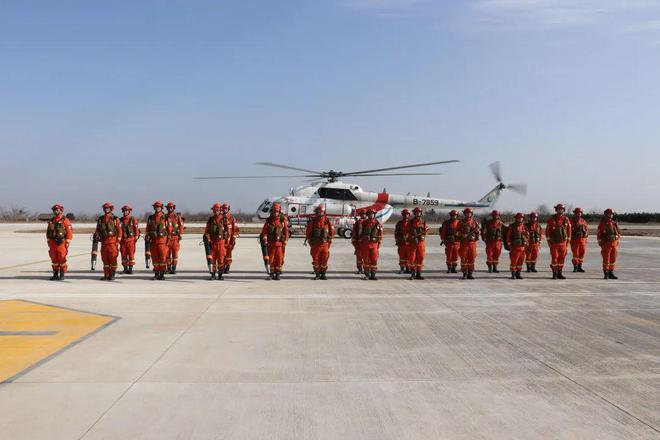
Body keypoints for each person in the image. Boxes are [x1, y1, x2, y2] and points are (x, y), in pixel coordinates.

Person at [260, 202, 289, 280]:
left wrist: (286, 240)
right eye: (274, 211)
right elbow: (264, 232)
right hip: (271, 244)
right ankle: (271, 274)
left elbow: (286, 231)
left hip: (280, 244)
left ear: (279, 211)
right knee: (271, 260)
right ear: (272, 211)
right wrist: (265, 239)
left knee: (279, 259)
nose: (275, 213)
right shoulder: (269, 221)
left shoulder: (282, 221)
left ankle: (278, 274)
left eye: (276, 211)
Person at [94, 202, 122, 281]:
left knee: (112, 259)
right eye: (105, 208)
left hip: (112, 242)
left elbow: (119, 230)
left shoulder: (115, 219)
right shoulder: (100, 219)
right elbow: (98, 229)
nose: (106, 209)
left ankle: (112, 274)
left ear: (111, 209)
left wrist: (118, 241)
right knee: (105, 259)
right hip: (104, 242)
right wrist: (96, 234)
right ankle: (106, 274)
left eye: (108, 208)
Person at [305, 205, 334, 280]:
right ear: (316, 212)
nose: (320, 213)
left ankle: (323, 274)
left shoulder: (327, 220)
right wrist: (311, 242)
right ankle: (317, 273)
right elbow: (308, 232)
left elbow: (332, 231)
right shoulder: (313, 221)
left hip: (325, 244)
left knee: (324, 259)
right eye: (319, 212)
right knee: (316, 259)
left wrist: (330, 240)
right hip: (316, 244)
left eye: (321, 212)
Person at [46, 203, 73, 280]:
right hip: (52, 243)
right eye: (54, 210)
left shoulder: (65, 220)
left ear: (61, 210)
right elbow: (48, 232)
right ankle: (55, 274)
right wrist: (48, 241)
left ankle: (62, 274)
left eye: (57, 210)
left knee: (62, 259)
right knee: (54, 259)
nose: (55, 211)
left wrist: (67, 242)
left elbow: (69, 232)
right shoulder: (51, 221)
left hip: (61, 243)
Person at [145, 201, 171, 280]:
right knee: (155, 258)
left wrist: (168, 239)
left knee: (163, 258)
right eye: (156, 207)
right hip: (153, 241)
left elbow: (169, 229)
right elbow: (148, 229)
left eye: (159, 207)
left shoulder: (165, 217)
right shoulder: (151, 217)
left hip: (162, 242)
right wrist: (148, 236)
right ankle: (156, 273)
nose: (157, 208)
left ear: (161, 208)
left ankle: (162, 274)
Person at [546, 203, 572, 279]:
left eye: (561, 209)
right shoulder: (551, 219)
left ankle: (560, 273)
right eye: (559, 209)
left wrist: (567, 242)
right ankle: (554, 273)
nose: (560, 210)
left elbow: (569, 231)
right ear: (556, 210)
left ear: (563, 210)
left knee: (562, 258)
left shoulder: (566, 219)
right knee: (554, 258)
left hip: (563, 243)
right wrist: (549, 243)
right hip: (554, 243)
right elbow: (548, 231)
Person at [204, 203, 229, 280]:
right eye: (214, 210)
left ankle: (220, 275)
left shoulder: (224, 219)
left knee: (221, 259)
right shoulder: (210, 220)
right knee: (212, 259)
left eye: (216, 210)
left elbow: (228, 231)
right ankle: (213, 274)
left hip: (221, 242)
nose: (215, 212)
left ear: (220, 210)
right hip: (212, 242)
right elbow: (207, 231)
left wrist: (227, 240)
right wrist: (208, 238)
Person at [358, 208, 383, 280]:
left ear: (374, 215)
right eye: (369, 214)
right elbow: (360, 233)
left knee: (374, 259)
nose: (371, 215)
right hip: (365, 244)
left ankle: (373, 274)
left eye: (372, 214)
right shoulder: (363, 223)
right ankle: (367, 274)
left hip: (374, 244)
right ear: (368, 215)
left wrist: (378, 241)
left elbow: (380, 234)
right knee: (366, 260)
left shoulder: (377, 223)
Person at [597, 208, 621, 280]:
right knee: (606, 259)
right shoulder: (602, 224)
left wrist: (617, 239)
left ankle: (611, 273)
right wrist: (601, 243)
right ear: (605, 215)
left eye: (611, 214)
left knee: (613, 259)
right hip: (606, 244)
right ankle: (606, 273)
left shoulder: (614, 224)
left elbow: (619, 233)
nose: (610, 215)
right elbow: (599, 235)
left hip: (614, 244)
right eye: (609, 214)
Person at [457, 207, 480, 280]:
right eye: (467, 213)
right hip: (464, 243)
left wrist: (477, 231)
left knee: (472, 258)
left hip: (472, 243)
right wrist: (461, 234)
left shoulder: (474, 222)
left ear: (471, 214)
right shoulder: (461, 222)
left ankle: (470, 273)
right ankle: (464, 273)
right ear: (464, 214)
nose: (468, 214)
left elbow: (479, 231)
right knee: (463, 258)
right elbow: (457, 232)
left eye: (469, 213)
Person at [506, 213, 529, 280]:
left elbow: (527, 235)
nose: (520, 219)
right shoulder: (512, 226)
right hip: (515, 247)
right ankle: (513, 274)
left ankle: (518, 273)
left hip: (522, 247)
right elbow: (508, 236)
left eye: (521, 218)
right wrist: (509, 244)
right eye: (519, 217)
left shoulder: (524, 226)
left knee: (520, 261)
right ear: (516, 218)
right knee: (514, 261)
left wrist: (526, 242)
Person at [408, 207, 429, 280]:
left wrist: (424, 234)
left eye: (419, 212)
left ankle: (418, 274)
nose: (418, 214)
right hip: (413, 243)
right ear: (414, 213)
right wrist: (411, 237)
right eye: (416, 212)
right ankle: (412, 274)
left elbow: (426, 230)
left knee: (421, 258)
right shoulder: (410, 222)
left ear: (421, 213)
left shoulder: (423, 222)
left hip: (421, 243)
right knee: (412, 258)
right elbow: (407, 232)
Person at [119, 205, 140, 274]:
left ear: (129, 211)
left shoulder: (133, 219)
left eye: (127, 211)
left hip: (131, 240)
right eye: (124, 211)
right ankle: (125, 269)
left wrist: (136, 236)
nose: (125, 212)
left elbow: (136, 228)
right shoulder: (120, 220)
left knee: (131, 254)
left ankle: (130, 269)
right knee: (123, 255)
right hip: (123, 241)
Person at [165, 202, 184, 274]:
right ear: (167, 208)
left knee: (175, 254)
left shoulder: (177, 217)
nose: (170, 209)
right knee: (167, 254)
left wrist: (180, 234)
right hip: (167, 238)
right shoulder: (165, 216)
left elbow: (181, 225)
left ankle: (173, 268)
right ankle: (168, 268)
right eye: (169, 208)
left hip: (175, 238)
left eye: (171, 207)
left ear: (173, 208)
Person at [570, 207, 589, 272]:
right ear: (574, 213)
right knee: (575, 254)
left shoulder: (583, 221)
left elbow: (586, 229)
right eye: (577, 213)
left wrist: (586, 237)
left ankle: (579, 266)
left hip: (582, 240)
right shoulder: (571, 221)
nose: (578, 214)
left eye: (580, 213)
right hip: (574, 240)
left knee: (582, 253)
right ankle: (575, 266)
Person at [394, 209, 412, 274]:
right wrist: (397, 240)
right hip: (401, 242)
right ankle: (402, 269)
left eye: (407, 214)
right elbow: (396, 232)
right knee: (402, 256)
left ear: (409, 215)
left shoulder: (411, 223)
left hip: (409, 243)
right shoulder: (399, 223)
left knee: (409, 256)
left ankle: (408, 268)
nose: (406, 215)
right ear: (402, 215)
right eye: (404, 214)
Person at [223, 203, 239, 274]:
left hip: (229, 240)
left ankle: (228, 267)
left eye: (225, 208)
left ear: (228, 209)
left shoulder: (232, 218)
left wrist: (233, 240)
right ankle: (222, 267)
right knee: (221, 254)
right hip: (222, 240)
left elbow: (235, 230)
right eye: (223, 208)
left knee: (228, 254)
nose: (224, 210)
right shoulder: (220, 218)